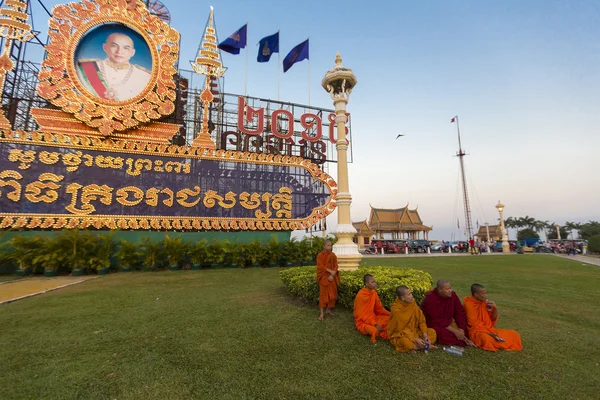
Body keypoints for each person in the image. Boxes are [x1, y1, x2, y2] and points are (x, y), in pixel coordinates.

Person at [77, 32, 151, 101]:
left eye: (126, 48)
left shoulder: (145, 76)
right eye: (114, 46)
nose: (119, 51)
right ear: (105, 47)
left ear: (132, 52)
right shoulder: (85, 68)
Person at [464, 284, 522, 352]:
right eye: (483, 293)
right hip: (477, 332)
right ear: (476, 295)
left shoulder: (484, 302)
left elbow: (492, 319)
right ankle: (498, 342)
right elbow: (474, 325)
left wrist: (495, 308)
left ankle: (497, 341)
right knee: (486, 339)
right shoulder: (469, 304)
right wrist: (491, 334)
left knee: (514, 334)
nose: (486, 295)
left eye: (486, 293)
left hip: (490, 330)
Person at [421, 280, 475, 347]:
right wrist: (455, 331)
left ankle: (463, 337)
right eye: (447, 289)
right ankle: (462, 340)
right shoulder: (431, 298)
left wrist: (461, 329)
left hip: (448, 322)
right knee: (444, 334)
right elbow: (436, 319)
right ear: (440, 290)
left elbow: (459, 311)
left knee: (465, 329)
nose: (450, 291)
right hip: (434, 323)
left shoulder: (453, 295)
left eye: (450, 288)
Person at [387, 285, 437, 352]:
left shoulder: (412, 303)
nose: (412, 296)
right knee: (404, 341)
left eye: (411, 293)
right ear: (402, 298)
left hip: (415, 331)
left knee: (432, 332)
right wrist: (415, 339)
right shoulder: (396, 309)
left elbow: (421, 320)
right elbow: (399, 330)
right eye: (409, 294)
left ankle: (416, 346)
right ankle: (423, 346)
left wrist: (425, 335)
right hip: (402, 335)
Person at [353, 274, 390, 343]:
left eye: (374, 282)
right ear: (366, 284)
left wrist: (389, 314)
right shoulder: (361, 295)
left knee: (389, 318)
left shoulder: (373, 293)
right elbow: (359, 314)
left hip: (372, 317)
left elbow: (379, 308)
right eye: (372, 282)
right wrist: (375, 324)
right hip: (362, 321)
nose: (375, 284)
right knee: (374, 330)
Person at [316, 240, 339, 321]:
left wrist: (332, 275)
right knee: (323, 295)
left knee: (332, 295)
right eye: (328, 245)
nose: (330, 247)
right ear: (324, 246)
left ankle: (328, 310)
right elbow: (320, 266)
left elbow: (336, 265)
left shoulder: (333, 255)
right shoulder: (320, 255)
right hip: (323, 277)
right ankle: (321, 313)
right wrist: (330, 272)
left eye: (331, 245)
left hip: (332, 276)